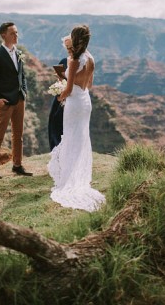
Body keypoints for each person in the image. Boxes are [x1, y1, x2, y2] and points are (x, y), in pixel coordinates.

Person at [47, 25, 105, 212]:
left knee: (71, 137)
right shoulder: (90, 59)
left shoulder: (73, 60)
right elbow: (89, 83)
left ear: (75, 39)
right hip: (85, 101)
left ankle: (69, 177)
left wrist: (59, 95)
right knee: (81, 138)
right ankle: (78, 175)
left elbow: (69, 89)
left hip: (73, 103)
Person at [0, 22, 31, 180]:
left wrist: (23, 91)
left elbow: (21, 75)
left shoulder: (19, 52)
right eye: (13, 33)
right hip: (4, 102)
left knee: (18, 135)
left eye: (17, 32)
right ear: (4, 35)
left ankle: (17, 165)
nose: (16, 36)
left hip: (19, 100)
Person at [47, 36, 72, 151]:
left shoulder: (80, 63)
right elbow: (60, 80)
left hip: (71, 99)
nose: (69, 50)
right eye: (67, 47)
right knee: (54, 124)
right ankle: (56, 150)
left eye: (71, 47)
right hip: (60, 98)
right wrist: (59, 85)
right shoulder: (63, 61)